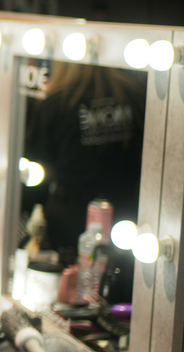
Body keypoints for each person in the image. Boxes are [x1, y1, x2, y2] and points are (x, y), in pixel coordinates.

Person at [24, 61, 146, 262]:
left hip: (70, 217)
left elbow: (38, 164)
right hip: (125, 216)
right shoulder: (133, 94)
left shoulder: (58, 102)